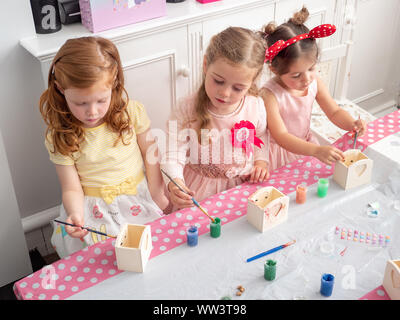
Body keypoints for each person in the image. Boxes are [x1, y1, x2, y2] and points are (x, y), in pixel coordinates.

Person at [39, 36, 169, 258]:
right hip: (93, 210)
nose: (92, 112)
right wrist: (75, 214)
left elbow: (150, 152)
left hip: (137, 198)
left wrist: (157, 190)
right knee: (104, 262)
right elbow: (71, 188)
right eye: (80, 103)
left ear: (115, 82)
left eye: (101, 100)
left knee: (148, 254)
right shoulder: (59, 135)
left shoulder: (131, 112)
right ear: (61, 89)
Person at [161, 27, 270, 210]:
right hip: (200, 190)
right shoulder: (187, 108)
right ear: (205, 65)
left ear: (253, 81)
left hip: (242, 187)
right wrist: (175, 182)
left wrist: (261, 162)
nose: (225, 93)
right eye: (218, 81)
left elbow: (261, 138)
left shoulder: (255, 106)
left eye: (238, 88)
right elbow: (172, 153)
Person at [260, 7, 366, 170]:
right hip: (280, 153)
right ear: (275, 70)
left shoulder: (314, 82)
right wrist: (316, 150)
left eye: (311, 69)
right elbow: (281, 136)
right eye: (296, 75)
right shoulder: (270, 95)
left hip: (306, 145)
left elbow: (334, 112)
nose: (307, 79)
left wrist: (352, 124)